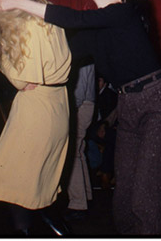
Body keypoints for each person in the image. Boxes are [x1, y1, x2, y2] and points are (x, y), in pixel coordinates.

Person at [0, 0, 161, 235]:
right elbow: (58, 47)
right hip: (127, 103)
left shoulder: (124, 12)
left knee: (147, 187)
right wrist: (9, 33)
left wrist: (14, 0)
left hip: (157, 100)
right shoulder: (95, 34)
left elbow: (74, 18)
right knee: (125, 189)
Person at [0, 0, 72, 236]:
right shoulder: (48, 19)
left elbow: (21, 81)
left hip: (36, 106)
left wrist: (1, 52)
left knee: (15, 181)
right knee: (40, 180)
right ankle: (58, 230)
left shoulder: (23, 27)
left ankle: (29, 232)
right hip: (58, 102)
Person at [64, 61, 96, 221]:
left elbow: (80, 90)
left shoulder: (80, 49)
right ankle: (86, 196)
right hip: (87, 104)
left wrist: (69, 108)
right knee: (79, 150)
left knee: (72, 153)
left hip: (81, 106)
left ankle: (78, 204)